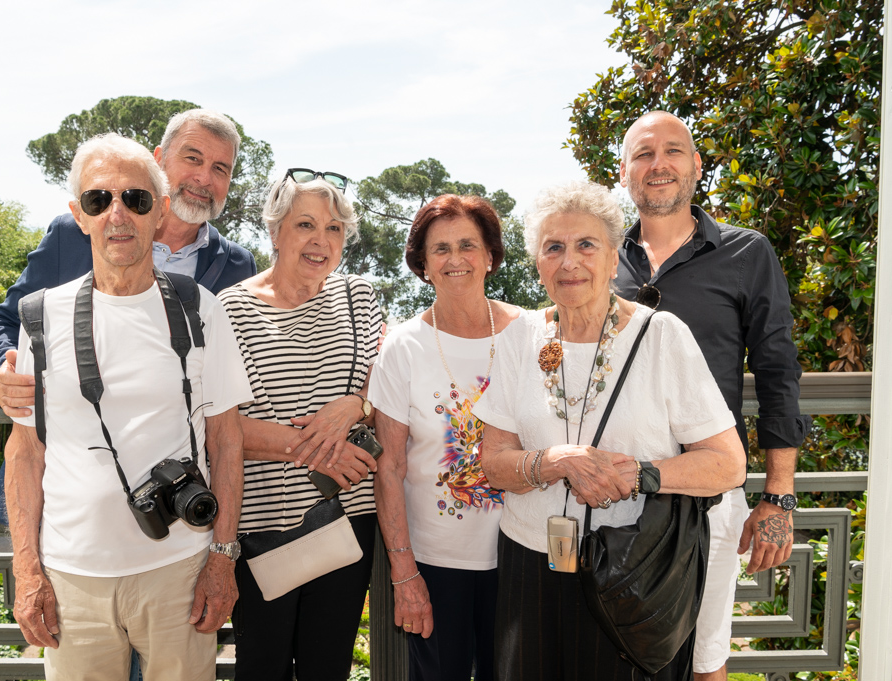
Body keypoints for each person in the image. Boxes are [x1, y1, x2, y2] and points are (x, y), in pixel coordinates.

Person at [472, 180, 747, 681]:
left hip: (630, 570)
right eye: (553, 247)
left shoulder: (662, 336)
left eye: (586, 245)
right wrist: (552, 462)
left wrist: (640, 474)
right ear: (538, 263)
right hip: (530, 569)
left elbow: (728, 464)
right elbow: (493, 462)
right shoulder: (519, 338)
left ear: (614, 259)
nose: (569, 261)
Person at [4, 133, 252, 680]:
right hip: (71, 576)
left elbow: (226, 439)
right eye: (99, 200)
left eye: (136, 199)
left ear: (160, 211)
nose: (118, 214)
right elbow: (24, 450)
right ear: (79, 214)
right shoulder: (40, 316)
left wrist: (222, 558)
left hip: (178, 572)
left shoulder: (199, 310)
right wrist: (27, 570)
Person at [615, 110, 811, 681]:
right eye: (644, 154)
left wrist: (779, 496)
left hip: (710, 490)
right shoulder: (598, 257)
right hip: (615, 488)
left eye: (673, 151)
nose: (659, 165)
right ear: (624, 172)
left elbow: (778, 374)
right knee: (616, 655)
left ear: (696, 164)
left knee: (705, 662)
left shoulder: (747, 254)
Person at [0, 108, 257, 415]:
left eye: (221, 168)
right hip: (64, 450)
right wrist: (5, 369)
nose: (204, 177)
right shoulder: (74, 234)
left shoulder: (237, 266)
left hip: (179, 455)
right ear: (159, 160)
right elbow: (5, 321)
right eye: (192, 158)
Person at [219, 169, 381, 681]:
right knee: (261, 669)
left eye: (334, 229)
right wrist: (316, 450)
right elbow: (220, 429)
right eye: (305, 224)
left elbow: (392, 379)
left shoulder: (361, 296)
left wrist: (356, 404)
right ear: (274, 232)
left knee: (327, 668)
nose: (320, 240)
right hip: (262, 529)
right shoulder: (230, 310)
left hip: (347, 517)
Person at [369, 194, 520, 681]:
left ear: (491, 255)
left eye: (468, 245)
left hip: (521, 555)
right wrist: (403, 573)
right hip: (436, 565)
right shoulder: (402, 348)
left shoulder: (531, 334)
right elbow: (388, 467)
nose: (456, 259)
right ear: (423, 264)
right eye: (440, 249)